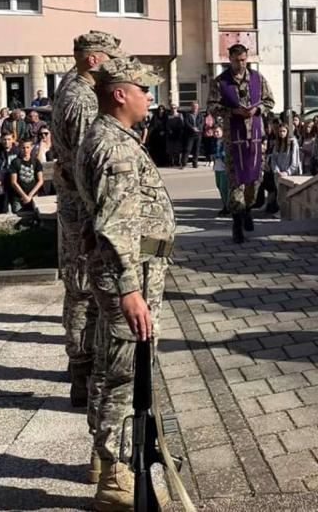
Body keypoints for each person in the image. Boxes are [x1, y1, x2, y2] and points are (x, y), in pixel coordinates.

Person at [75, 57, 174, 511]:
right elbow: (114, 227)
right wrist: (130, 291)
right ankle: (114, 476)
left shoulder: (114, 137)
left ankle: (104, 462)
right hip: (127, 279)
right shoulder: (113, 146)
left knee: (112, 367)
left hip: (128, 274)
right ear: (120, 94)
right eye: (143, 89)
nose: (149, 96)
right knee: (121, 374)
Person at [51, 31, 125, 464]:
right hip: (83, 209)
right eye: (111, 58)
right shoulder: (81, 98)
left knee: (79, 290)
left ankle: (81, 369)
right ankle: (82, 372)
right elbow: (85, 165)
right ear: (94, 59)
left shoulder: (73, 85)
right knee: (82, 292)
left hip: (74, 204)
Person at [207, 43, 275, 243]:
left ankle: (247, 210)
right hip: (233, 139)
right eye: (237, 60)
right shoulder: (220, 82)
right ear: (230, 60)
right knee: (236, 180)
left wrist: (258, 109)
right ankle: (237, 224)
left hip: (255, 138)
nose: (240, 64)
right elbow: (212, 106)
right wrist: (232, 112)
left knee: (254, 180)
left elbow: (270, 101)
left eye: (244, 60)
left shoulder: (257, 78)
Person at [260, 123, 300, 212]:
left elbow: (295, 161)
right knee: (279, 193)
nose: (282, 133)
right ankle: (281, 210)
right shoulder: (277, 143)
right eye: (280, 131)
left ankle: (286, 211)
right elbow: (274, 159)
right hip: (278, 173)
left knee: (287, 193)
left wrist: (287, 172)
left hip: (288, 173)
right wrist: (276, 170)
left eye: (284, 131)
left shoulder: (293, 143)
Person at [8, 139, 44, 212]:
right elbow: (13, 182)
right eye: (23, 148)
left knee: (38, 211)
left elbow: (40, 181)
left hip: (33, 194)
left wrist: (30, 195)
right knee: (18, 213)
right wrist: (24, 196)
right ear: (20, 148)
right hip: (19, 196)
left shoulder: (36, 161)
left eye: (27, 147)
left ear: (31, 148)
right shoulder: (15, 162)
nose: (25, 150)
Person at [181, 101, 204, 168]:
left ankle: (195, 163)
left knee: (196, 149)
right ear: (191, 107)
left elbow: (202, 123)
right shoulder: (187, 114)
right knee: (188, 149)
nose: (195, 108)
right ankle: (184, 163)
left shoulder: (200, 115)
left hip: (198, 134)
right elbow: (186, 123)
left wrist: (198, 128)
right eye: (194, 106)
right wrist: (192, 128)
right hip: (190, 134)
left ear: (198, 107)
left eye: (196, 106)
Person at [213, 127, 229, 217]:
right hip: (217, 167)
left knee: (224, 188)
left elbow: (225, 154)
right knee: (219, 186)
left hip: (224, 167)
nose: (216, 133)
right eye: (215, 132)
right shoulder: (214, 142)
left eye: (218, 131)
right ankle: (225, 205)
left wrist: (218, 155)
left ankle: (227, 207)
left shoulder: (225, 142)